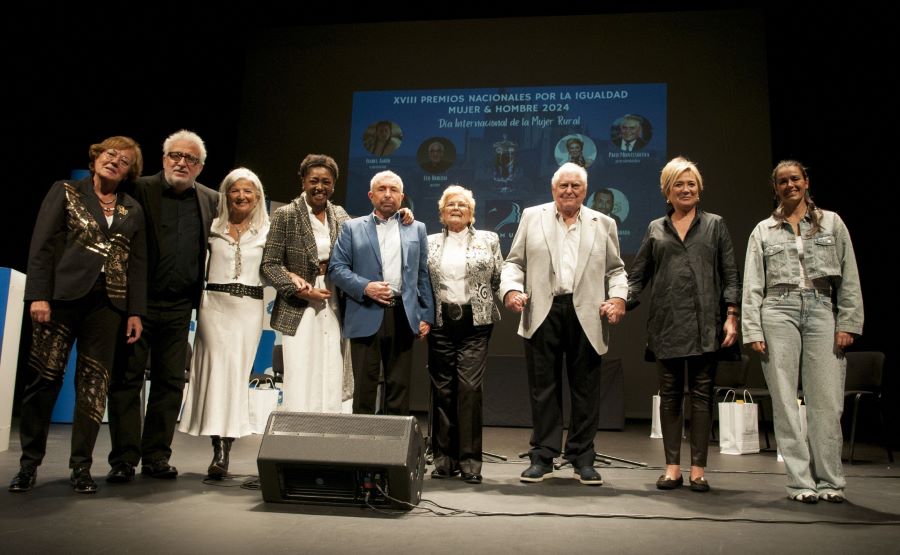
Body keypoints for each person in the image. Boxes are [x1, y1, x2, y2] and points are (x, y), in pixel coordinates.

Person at [10, 136, 147, 494]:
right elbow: (42, 246)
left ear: (130, 172)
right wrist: (39, 295)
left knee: (93, 386)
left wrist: (135, 311)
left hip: (108, 305)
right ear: (96, 156)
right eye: (110, 154)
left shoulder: (131, 208)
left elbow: (137, 263)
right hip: (61, 299)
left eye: (124, 160)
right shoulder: (66, 191)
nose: (115, 161)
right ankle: (28, 465)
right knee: (44, 380)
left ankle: (81, 467)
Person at [743, 160, 863, 504]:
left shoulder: (832, 222)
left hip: (821, 308)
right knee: (784, 401)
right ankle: (800, 483)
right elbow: (753, 283)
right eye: (782, 181)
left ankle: (830, 481)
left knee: (826, 401)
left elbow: (849, 276)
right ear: (775, 188)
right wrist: (752, 328)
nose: (789, 185)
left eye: (795, 178)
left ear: (806, 181)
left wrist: (849, 322)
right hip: (777, 310)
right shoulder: (763, 230)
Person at [500, 162, 627, 486]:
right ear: (553, 189)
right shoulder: (532, 217)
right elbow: (514, 263)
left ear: (585, 190)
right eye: (563, 186)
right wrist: (511, 290)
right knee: (543, 389)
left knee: (586, 389)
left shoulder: (604, 223)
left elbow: (616, 270)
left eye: (575, 186)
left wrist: (618, 298)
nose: (569, 191)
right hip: (543, 310)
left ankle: (582, 458)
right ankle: (542, 456)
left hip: (587, 312)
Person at [107, 130, 218, 482]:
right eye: (176, 156)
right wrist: (131, 304)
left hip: (180, 307)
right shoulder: (138, 189)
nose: (182, 163)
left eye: (190, 159)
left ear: (200, 167)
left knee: (170, 382)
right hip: (137, 304)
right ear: (164, 158)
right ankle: (124, 459)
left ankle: (156, 455)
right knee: (127, 380)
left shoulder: (211, 200)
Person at [626, 157, 740, 492]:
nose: (686, 189)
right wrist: (620, 301)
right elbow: (638, 276)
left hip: (706, 324)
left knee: (702, 397)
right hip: (667, 324)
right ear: (668, 191)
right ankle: (672, 468)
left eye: (691, 184)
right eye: (679, 184)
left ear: (699, 189)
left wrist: (731, 315)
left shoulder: (715, 225)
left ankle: (698, 470)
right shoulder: (655, 228)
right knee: (671, 396)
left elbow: (730, 274)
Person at [177, 168, 269, 479]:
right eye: (235, 190)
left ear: (258, 196)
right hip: (213, 307)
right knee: (216, 375)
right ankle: (219, 448)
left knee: (235, 376)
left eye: (248, 191)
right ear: (226, 194)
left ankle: (225, 446)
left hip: (248, 309)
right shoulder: (212, 227)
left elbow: (275, 267)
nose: (241, 196)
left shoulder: (267, 231)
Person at [329, 170, 435, 415]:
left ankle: (394, 440)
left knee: (399, 388)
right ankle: (362, 439)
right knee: (364, 388)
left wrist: (426, 315)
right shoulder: (352, 228)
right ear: (371, 195)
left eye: (393, 190)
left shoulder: (416, 228)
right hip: (365, 311)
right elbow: (336, 269)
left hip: (403, 314)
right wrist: (365, 286)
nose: (388, 194)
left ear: (402, 196)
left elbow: (421, 273)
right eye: (381, 189)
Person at [261, 154, 351, 413]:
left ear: (333, 185)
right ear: (303, 182)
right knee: (301, 365)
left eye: (326, 182)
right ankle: (297, 427)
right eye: (314, 181)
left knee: (331, 363)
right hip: (298, 303)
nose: (320, 187)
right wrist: (297, 288)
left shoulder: (340, 215)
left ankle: (328, 426)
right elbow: (270, 264)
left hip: (333, 295)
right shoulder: (286, 215)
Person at [426, 185, 503, 485]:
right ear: (441, 213)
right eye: (450, 205)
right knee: (443, 390)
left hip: (475, 323)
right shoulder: (429, 242)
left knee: (469, 390)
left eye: (462, 205)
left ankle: (470, 462)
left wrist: (513, 294)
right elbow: (422, 282)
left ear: (472, 213)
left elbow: (499, 278)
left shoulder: (489, 239)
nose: (456, 209)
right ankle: (444, 460)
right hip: (440, 323)